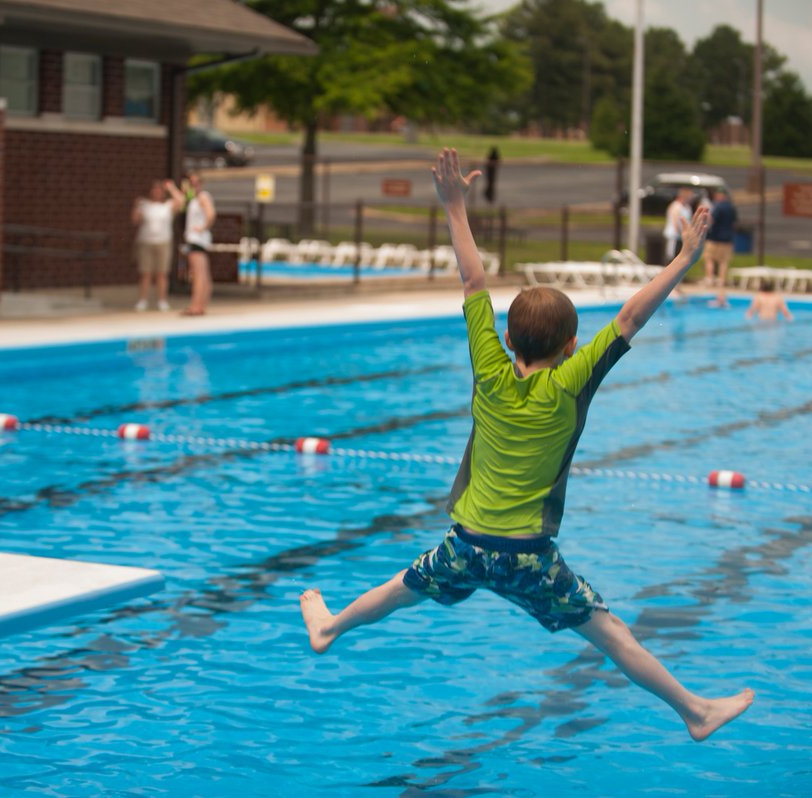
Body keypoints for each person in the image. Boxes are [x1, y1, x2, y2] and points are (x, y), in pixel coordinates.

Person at [299, 148, 754, 743]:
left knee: (401, 589)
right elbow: (628, 318)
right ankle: (694, 711)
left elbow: (473, 278)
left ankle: (330, 628)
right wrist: (686, 258)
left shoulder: (488, 368)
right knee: (609, 631)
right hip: (528, 558)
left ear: (507, 337)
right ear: (570, 346)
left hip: (466, 545)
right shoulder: (571, 382)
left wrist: (455, 205)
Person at [131, 179, 185, 312]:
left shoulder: (167, 205)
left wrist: (171, 188)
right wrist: (136, 207)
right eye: (154, 189)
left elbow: (182, 202)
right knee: (146, 273)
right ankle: (142, 300)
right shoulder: (144, 204)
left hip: (163, 242)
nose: (157, 192)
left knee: (162, 273)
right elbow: (135, 220)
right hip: (146, 242)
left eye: (159, 190)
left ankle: (162, 300)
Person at [182, 171, 215, 316]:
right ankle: (201, 305)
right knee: (203, 274)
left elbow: (211, 214)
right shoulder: (194, 199)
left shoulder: (203, 196)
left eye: (196, 183)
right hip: (198, 239)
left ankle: (196, 306)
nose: (194, 186)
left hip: (197, 239)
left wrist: (202, 228)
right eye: (191, 183)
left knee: (198, 274)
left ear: (201, 184)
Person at [703, 188, 738, 307]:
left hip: (715, 238)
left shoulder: (718, 207)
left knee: (709, 258)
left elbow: (711, 220)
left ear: (720, 195)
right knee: (724, 262)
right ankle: (721, 281)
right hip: (727, 239)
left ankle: (710, 278)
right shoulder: (731, 207)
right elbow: (734, 222)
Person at [662, 187, 693, 264]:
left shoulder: (687, 207)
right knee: (671, 257)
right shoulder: (675, 206)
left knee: (680, 257)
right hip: (674, 235)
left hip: (682, 236)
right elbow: (676, 222)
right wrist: (682, 232)